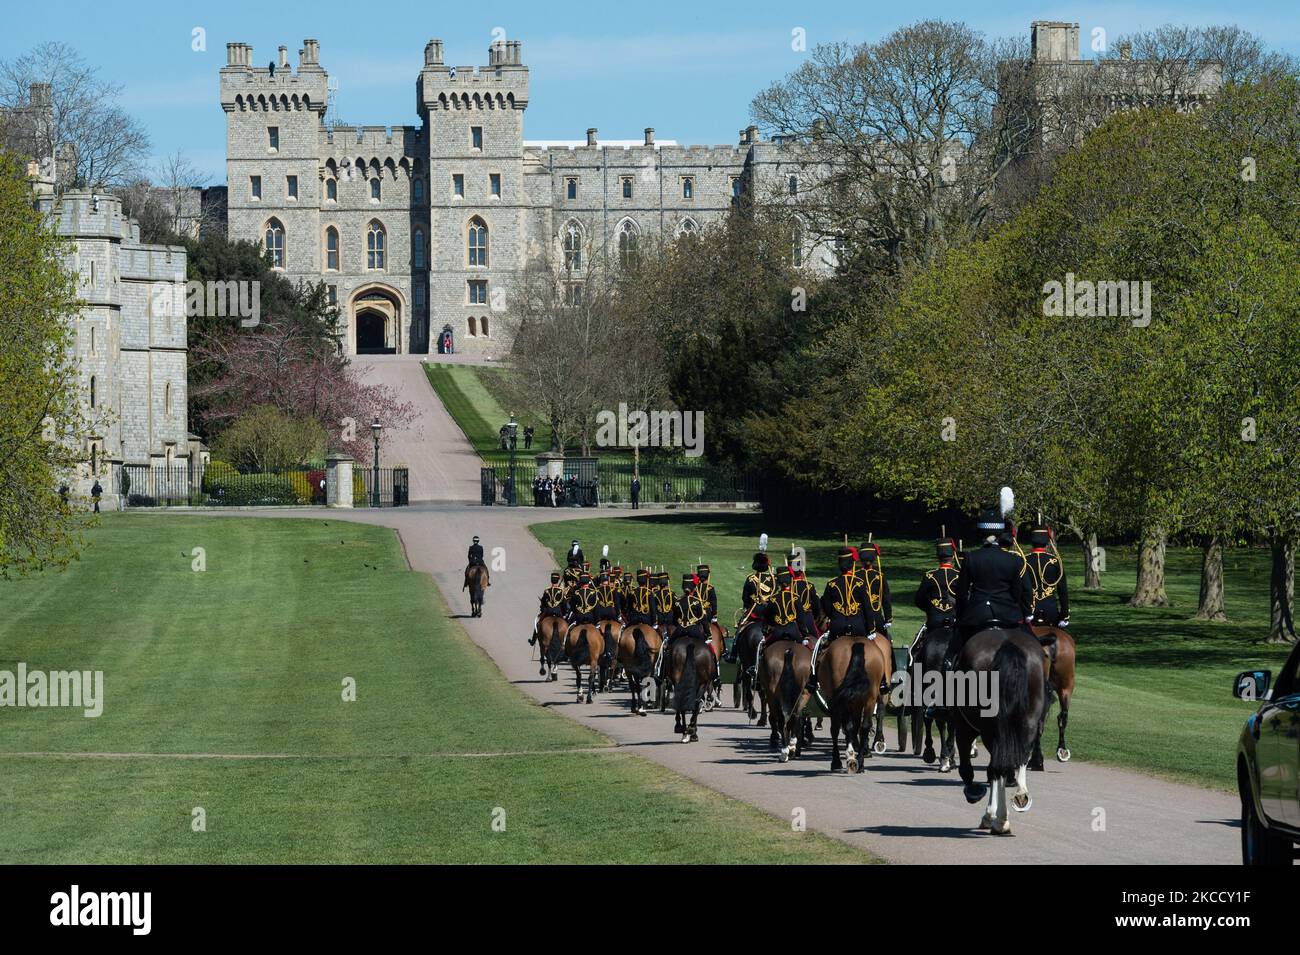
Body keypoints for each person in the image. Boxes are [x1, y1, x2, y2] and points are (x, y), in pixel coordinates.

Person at [946, 508, 1033, 671]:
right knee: (1032, 643)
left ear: (981, 533)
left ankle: (947, 664)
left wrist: (961, 616)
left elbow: (962, 593)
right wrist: (1015, 607)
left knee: (953, 649)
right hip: (1008, 614)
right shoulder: (1013, 560)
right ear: (1000, 535)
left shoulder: (971, 557)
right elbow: (1017, 592)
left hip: (978, 614)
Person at [806, 548, 868, 692]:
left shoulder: (831, 584)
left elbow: (827, 608)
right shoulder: (860, 583)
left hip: (837, 627)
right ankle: (883, 681)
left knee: (819, 652)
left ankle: (813, 679)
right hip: (859, 627)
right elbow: (867, 609)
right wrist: (870, 628)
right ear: (852, 564)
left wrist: (836, 616)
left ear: (840, 565)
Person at [1025, 523, 1070, 628]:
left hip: (1029, 611)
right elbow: (1063, 591)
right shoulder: (1055, 561)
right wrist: (1064, 616)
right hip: (1051, 611)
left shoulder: (1023, 560)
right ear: (1047, 540)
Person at [763, 568, 808, 648]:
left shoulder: (773, 598)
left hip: (777, 631)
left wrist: (767, 629)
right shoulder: (796, 598)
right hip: (793, 631)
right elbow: (800, 619)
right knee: (806, 647)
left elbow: (768, 617)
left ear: (779, 583)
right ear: (790, 582)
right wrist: (805, 634)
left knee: (764, 647)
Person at [858, 542, 893, 635]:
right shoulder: (880, 576)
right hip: (877, 619)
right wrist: (888, 618)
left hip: (859, 620)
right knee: (887, 641)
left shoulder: (855, 576)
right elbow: (886, 599)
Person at [788, 550, 819, 641]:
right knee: (818, 642)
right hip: (807, 619)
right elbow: (816, 606)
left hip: (789, 620)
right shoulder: (809, 586)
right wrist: (814, 616)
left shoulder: (786, 587)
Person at [532, 572, 569, 645]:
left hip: (548, 611)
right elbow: (564, 604)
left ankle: (533, 639)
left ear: (551, 580)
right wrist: (565, 612)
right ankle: (566, 641)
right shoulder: (561, 591)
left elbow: (543, 603)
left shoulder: (547, 590)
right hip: (558, 612)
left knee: (538, 622)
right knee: (567, 624)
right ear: (558, 580)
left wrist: (542, 610)